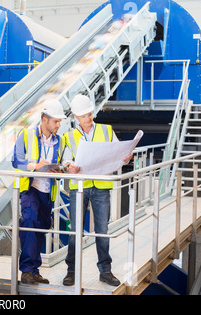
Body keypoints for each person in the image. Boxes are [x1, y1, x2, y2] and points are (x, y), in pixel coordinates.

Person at [62, 94, 133, 287]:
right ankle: (72, 272)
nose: (88, 118)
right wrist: (70, 166)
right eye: (84, 116)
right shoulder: (68, 136)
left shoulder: (106, 130)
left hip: (100, 187)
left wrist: (125, 157)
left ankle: (105, 271)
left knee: (102, 230)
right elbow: (65, 160)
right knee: (75, 232)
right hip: (79, 187)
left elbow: (118, 151)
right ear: (76, 117)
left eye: (90, 114)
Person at [11, 95, 67, 285]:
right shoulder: (25, 135)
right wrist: (34, 165)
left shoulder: (60, 142)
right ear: (44, 119)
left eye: (59, 121)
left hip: (48, 192)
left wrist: (59, 169)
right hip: (31, 188)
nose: (59, 125)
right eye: (56, 121)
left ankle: (34, 271)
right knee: (29, 222)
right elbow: (15, 161)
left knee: (41, 228)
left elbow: (61, 166)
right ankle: (26, 270)